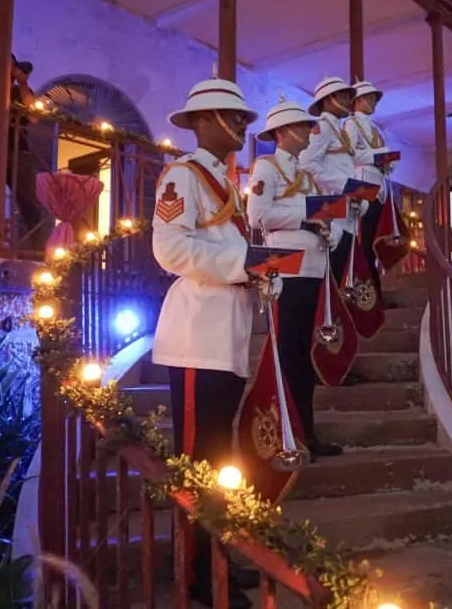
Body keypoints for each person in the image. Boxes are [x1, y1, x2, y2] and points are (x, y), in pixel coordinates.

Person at [151, 75, 264, 609]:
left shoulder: (225, 180)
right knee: (197, 462)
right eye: (232, 115)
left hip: (227, 338)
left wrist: (261, 269)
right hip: (198, 339)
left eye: (242, 116)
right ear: (204, 122)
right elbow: (171, 250)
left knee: (218, 458)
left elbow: (231, 256)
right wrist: (244, 263)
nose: (243, 124)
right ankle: (195, 575)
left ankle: (215, 554)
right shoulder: (182, 176)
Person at [247, 97, 344, 459]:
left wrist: (327, 230)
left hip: (315, 268)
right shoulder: (266, 167)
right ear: (285, 132)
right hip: (287, 269)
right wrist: (304, 216)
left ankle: (306, 431)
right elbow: (258, 215)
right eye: (303, 126)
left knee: (305, 355)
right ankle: (289, 431)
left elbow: (320, 217)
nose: (310, 131)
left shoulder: (306, 175)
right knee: (289, 354)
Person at [299, 77, 368, 283]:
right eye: (345, 96)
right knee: (331, 280)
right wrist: (347, 187)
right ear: (329, 99)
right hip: (331, 210)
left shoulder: (338, 130)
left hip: (344, 211)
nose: (349, 101)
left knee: (341, 277)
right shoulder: (322, 127)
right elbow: (307, 164)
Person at [344, 79, 391, 302]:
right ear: (357, 101)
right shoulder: (351, 124)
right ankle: (367, 294)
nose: (373, 102)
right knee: (364, 243)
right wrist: (376, 156)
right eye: (369, 98)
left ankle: (375, 292)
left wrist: (387, 161)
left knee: (372, 242)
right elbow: (350, 155)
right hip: (363, 185)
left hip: (379, 186)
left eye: (374, 98)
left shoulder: (376, 129)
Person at [6, 54, 49, 251]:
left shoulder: (19, 91)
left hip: (17, 150)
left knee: (28, 202)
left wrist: (23, 83)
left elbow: (33, 117)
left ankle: (37, 250)